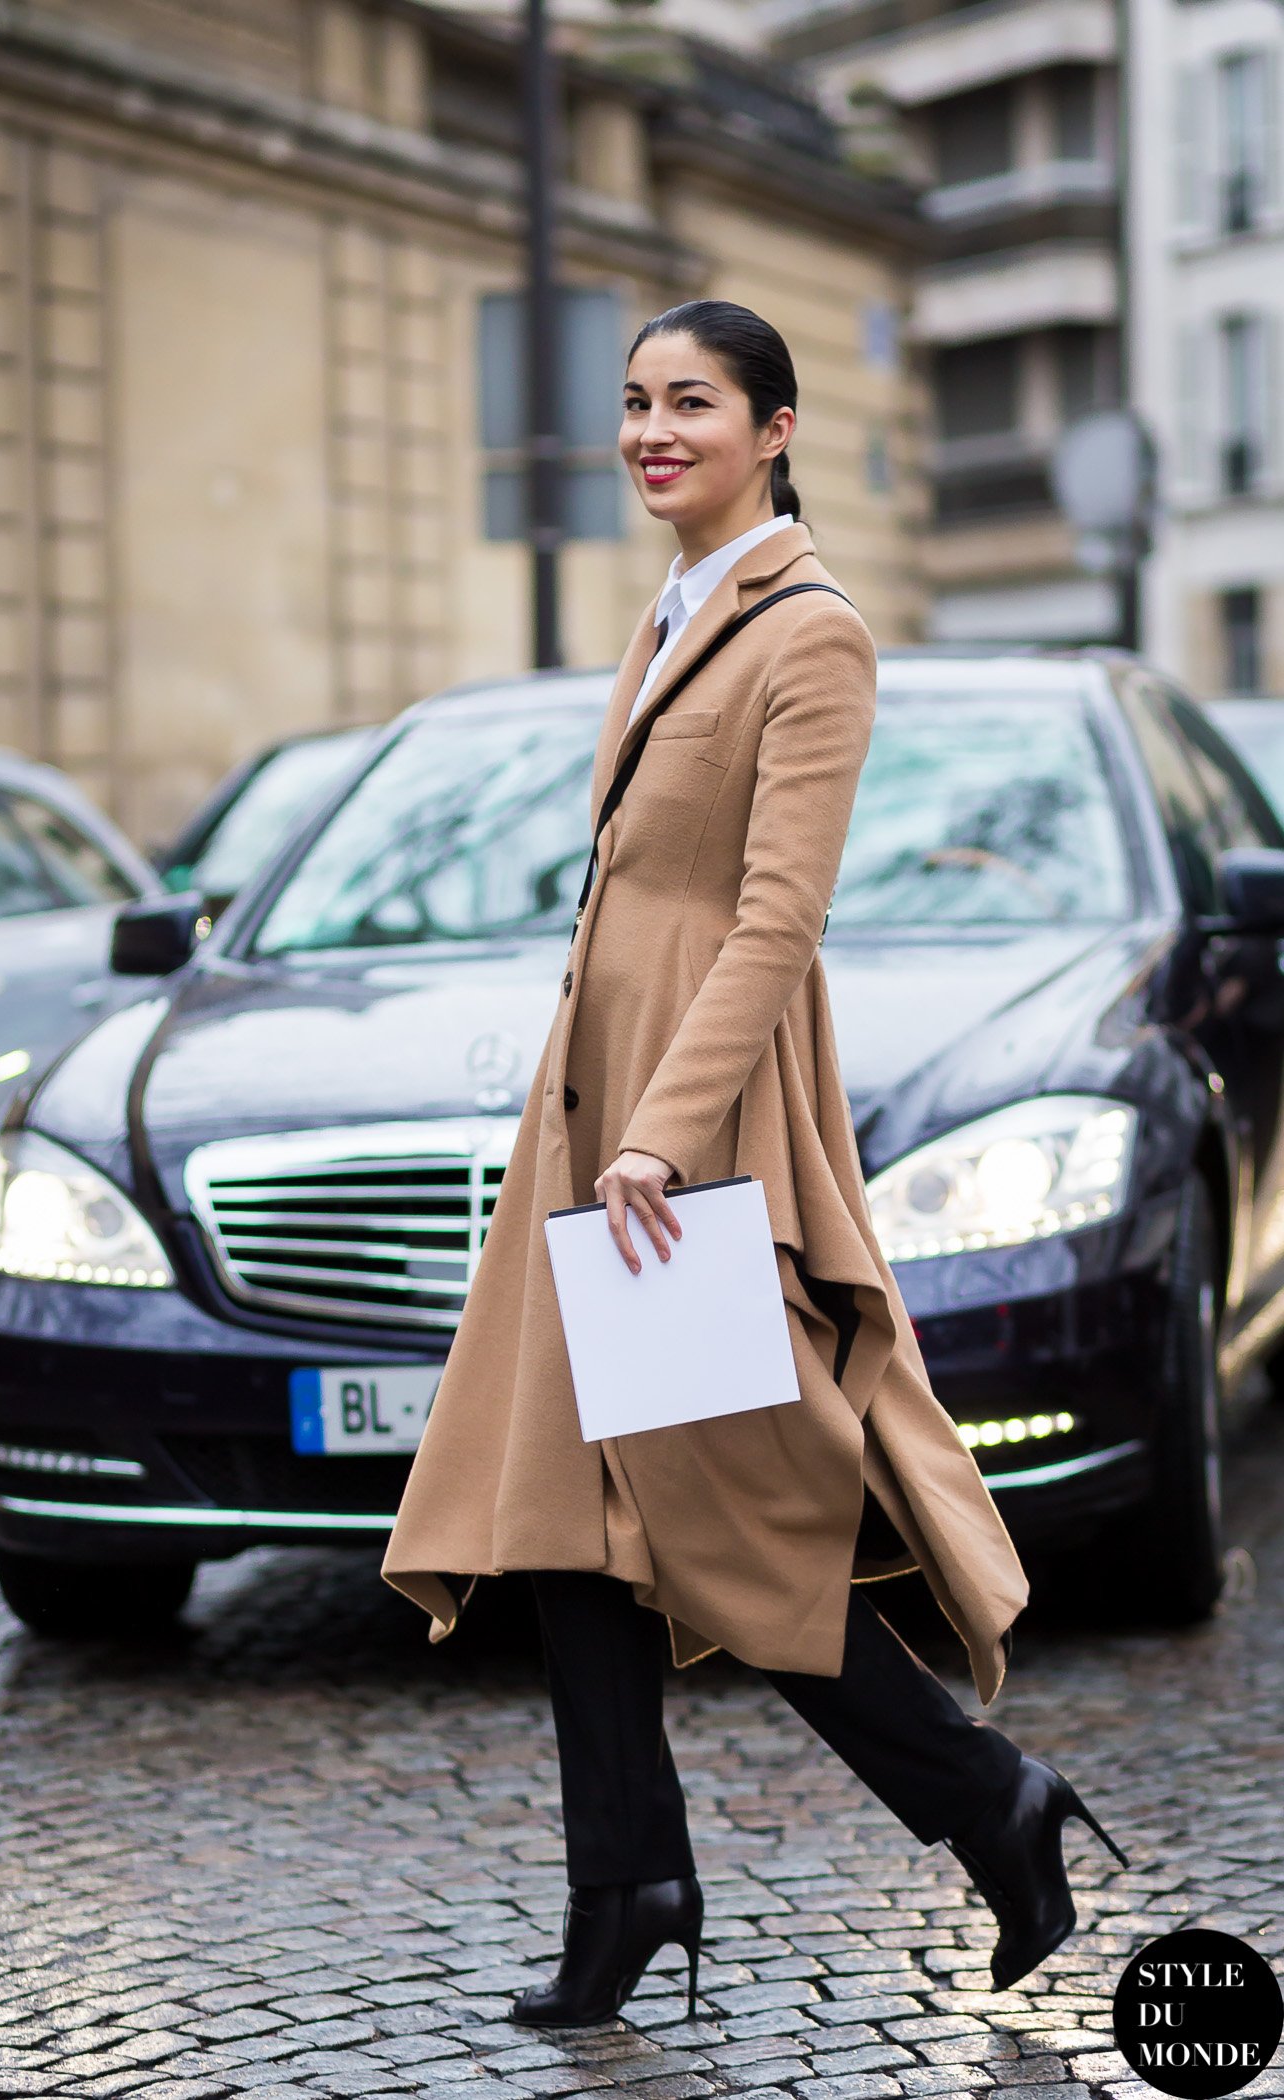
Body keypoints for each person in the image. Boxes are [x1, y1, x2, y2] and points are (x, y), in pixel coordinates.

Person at [382, 298, 1128, 2026]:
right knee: (560, 1516)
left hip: (688, 1138)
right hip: (592, 1111)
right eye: (636, 401)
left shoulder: (812, 634)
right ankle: (630, 1885)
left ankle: (982, 1798)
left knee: (732, 1523)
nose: (653, 430)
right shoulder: (671, 611)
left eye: (692, 403)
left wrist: (660, 1134)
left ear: (774, 427)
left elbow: (777, 919)